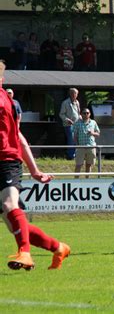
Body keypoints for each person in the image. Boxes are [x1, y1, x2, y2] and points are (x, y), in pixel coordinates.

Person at [0, 60, 70, 270]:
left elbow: (17, 138)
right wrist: (35, 170)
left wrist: (34, 169)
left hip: (6, 161)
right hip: (9, 158)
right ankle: (58, 247)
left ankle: (25, 253)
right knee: (14, 224)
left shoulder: (4, 101)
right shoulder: (8, 101)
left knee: (9, 205)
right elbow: (19, 136)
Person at [72, 108, 100, 177]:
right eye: (84, 113)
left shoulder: (93, 122)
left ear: (90, 114)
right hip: (80, 147)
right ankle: (75, 182)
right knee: (78, 165)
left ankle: (87, 182)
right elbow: (75, 136)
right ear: (81, 114)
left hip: (91, 147)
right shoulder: (77, 123)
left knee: (89, 165)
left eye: (87, 113)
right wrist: (77, 145)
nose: (86, 114)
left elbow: (98, 133)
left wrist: (92, 133)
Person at [59, 88, 81, 160]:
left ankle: (75, 155)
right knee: (71, 140)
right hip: (69, 125)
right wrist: (67, 120)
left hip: (77, 124)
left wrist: (81, 117)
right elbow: (61, 114)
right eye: (74, 93)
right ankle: (70, 156)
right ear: (71, 94)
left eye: (76, 93)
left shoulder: (77, 102)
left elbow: (78, 113)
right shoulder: (65, 103)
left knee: (77, 140)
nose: (76, 95)